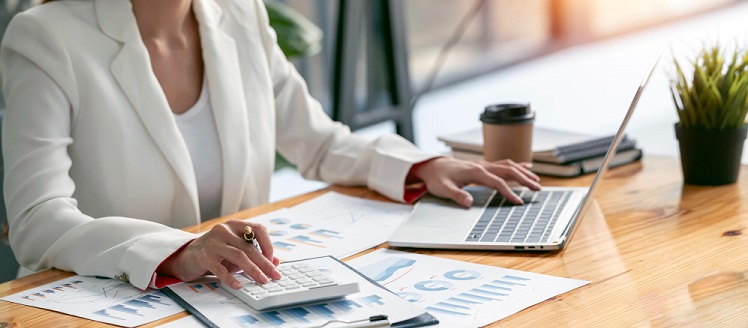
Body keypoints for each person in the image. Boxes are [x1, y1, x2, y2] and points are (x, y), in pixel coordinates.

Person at [0, 0, 541, 290]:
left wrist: (425, 165)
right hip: (101, 304)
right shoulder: (46, 37)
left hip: (236, 299)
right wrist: (176, 252)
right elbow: (38, 222)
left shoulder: (241, 14)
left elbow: (320, 143)